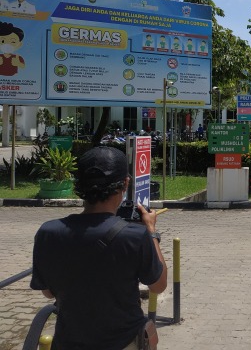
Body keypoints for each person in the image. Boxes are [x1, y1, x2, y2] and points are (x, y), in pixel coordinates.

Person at [30, 146, 167, 349]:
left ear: (79, 186)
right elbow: (158, 285)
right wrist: (151, 231)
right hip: (123, 342)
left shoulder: (48, 232)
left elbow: (49, 293)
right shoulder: (135, 236)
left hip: (69, 342)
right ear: (125, 183)